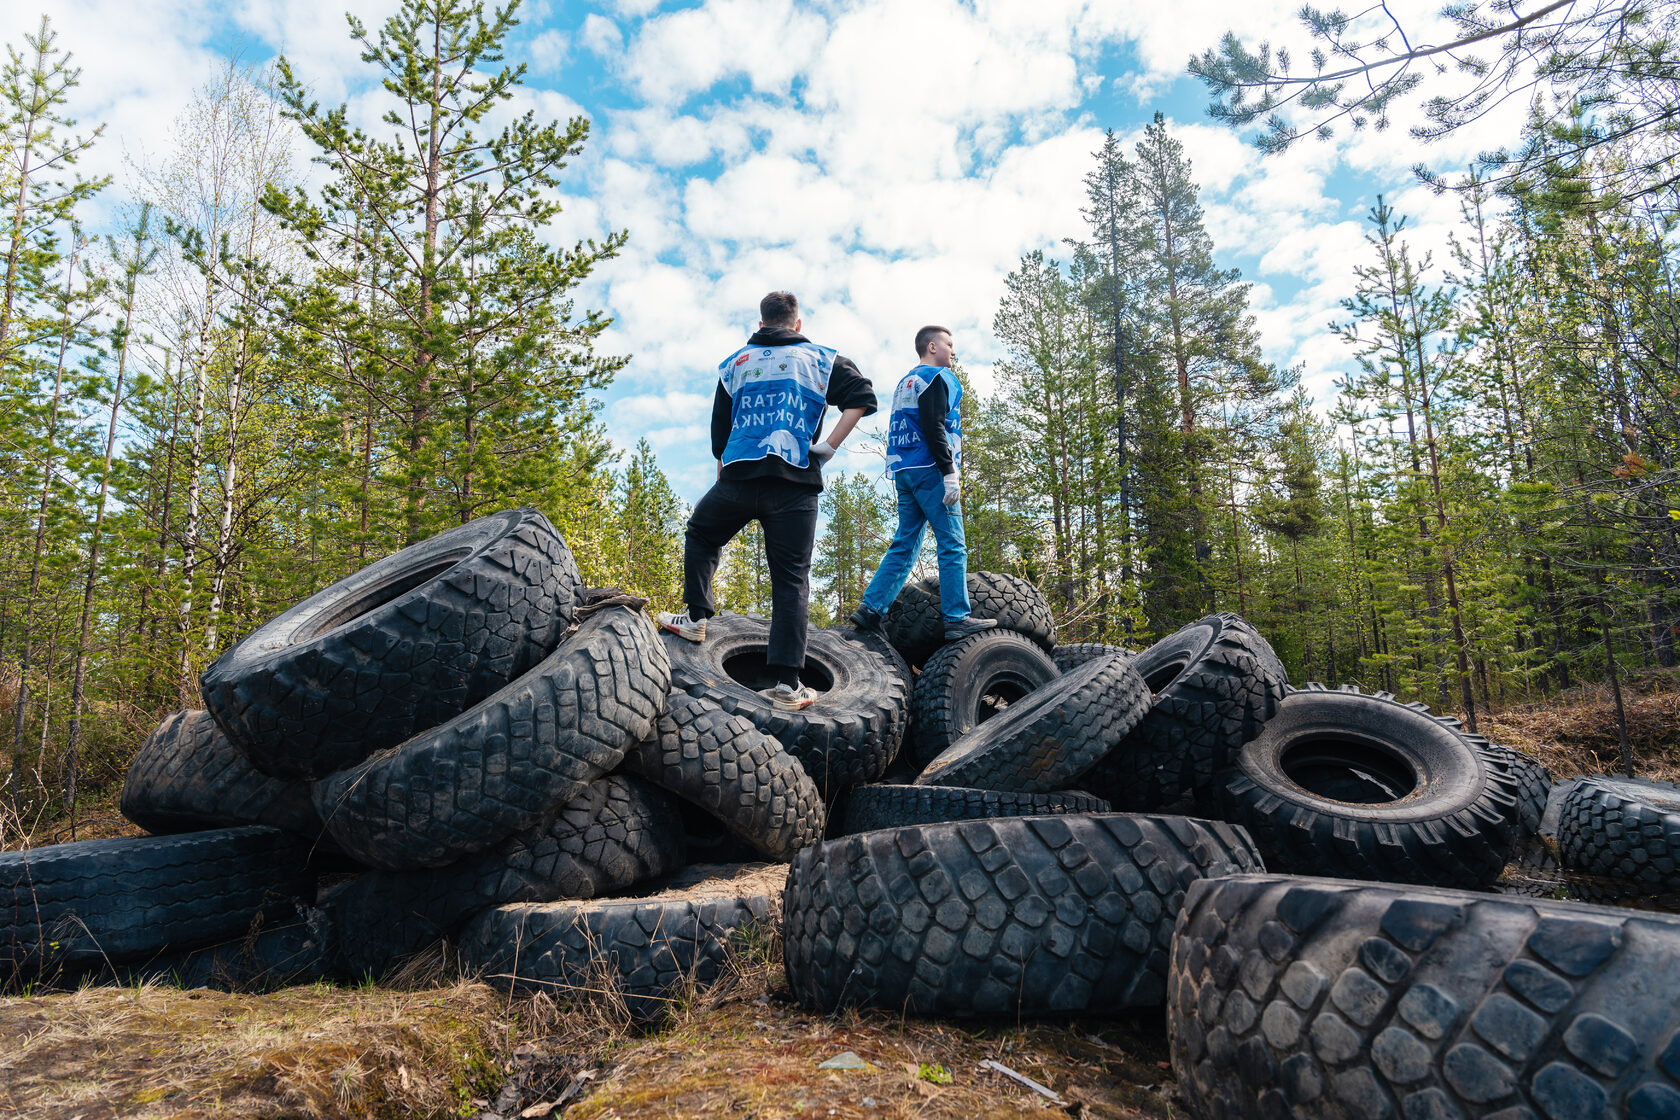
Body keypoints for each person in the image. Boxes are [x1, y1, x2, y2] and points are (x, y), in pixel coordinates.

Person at [656, 291, 876, 710]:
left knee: (702, 533)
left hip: (739, 476)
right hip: (795, 483)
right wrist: (828, 446)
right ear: (797, 324)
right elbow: (862, 399)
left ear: (760, 325)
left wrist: (723, 465)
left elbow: (719, 429)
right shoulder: (822, 358)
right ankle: (788, 687)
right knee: (791, 581)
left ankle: (697, 618)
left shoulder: (735, 362)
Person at [849, 325, 996, 642]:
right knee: (952, 542)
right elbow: (934, 426)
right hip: (931, 469)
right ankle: (957, 617)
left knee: (906, 543)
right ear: (932, 346)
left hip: (904, 470)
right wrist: (949, 471)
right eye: (949, 344)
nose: (953, 351)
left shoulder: (906, 382)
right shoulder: (936, 378)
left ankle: (871, 608)